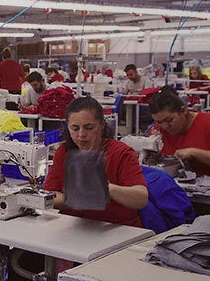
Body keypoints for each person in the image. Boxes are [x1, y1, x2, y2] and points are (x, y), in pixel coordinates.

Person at [42, 96, 148, 227]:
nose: (81, 134)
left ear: (102, 125)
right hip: (75, 227)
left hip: (118, 229)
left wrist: (107, 188)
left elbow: (141, 199)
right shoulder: (63, 152)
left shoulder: (121, 153)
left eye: (89, 127)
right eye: (75, 128)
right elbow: (50, 194)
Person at [148, 86, 210, 177]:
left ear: (184, 110)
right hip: (181, 183)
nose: (164, 126)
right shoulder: (161, 129)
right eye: (159, 122)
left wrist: (196, 153)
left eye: (169, 120)